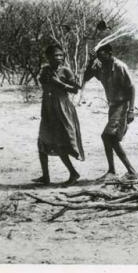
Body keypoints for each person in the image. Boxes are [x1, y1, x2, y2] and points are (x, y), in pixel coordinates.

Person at [83, 43, 138, 182]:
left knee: (108, 137)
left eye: (102, 54)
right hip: (112, 107)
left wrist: (131, 110)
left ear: (109, 53)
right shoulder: (100, 66)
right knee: (110, 138)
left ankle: (128, 171)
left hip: (122, 106)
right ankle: (116, 171)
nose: (99, 57)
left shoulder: (120, 66)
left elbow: (131, 88)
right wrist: (90, 61)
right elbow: (86, 77)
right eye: (98, 55)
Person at [34, 45, 84, 185]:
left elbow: (76, 89)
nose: (59, 58)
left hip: (62, 109)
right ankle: (45, 176)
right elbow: (43, 82)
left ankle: (73, 174)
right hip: (48, 108)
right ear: (48, 57)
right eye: (56, 55)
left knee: (60, 143)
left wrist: (60, 83)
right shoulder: (45, 70)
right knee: (42, 142)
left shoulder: (66, 71)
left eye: (61, 55)